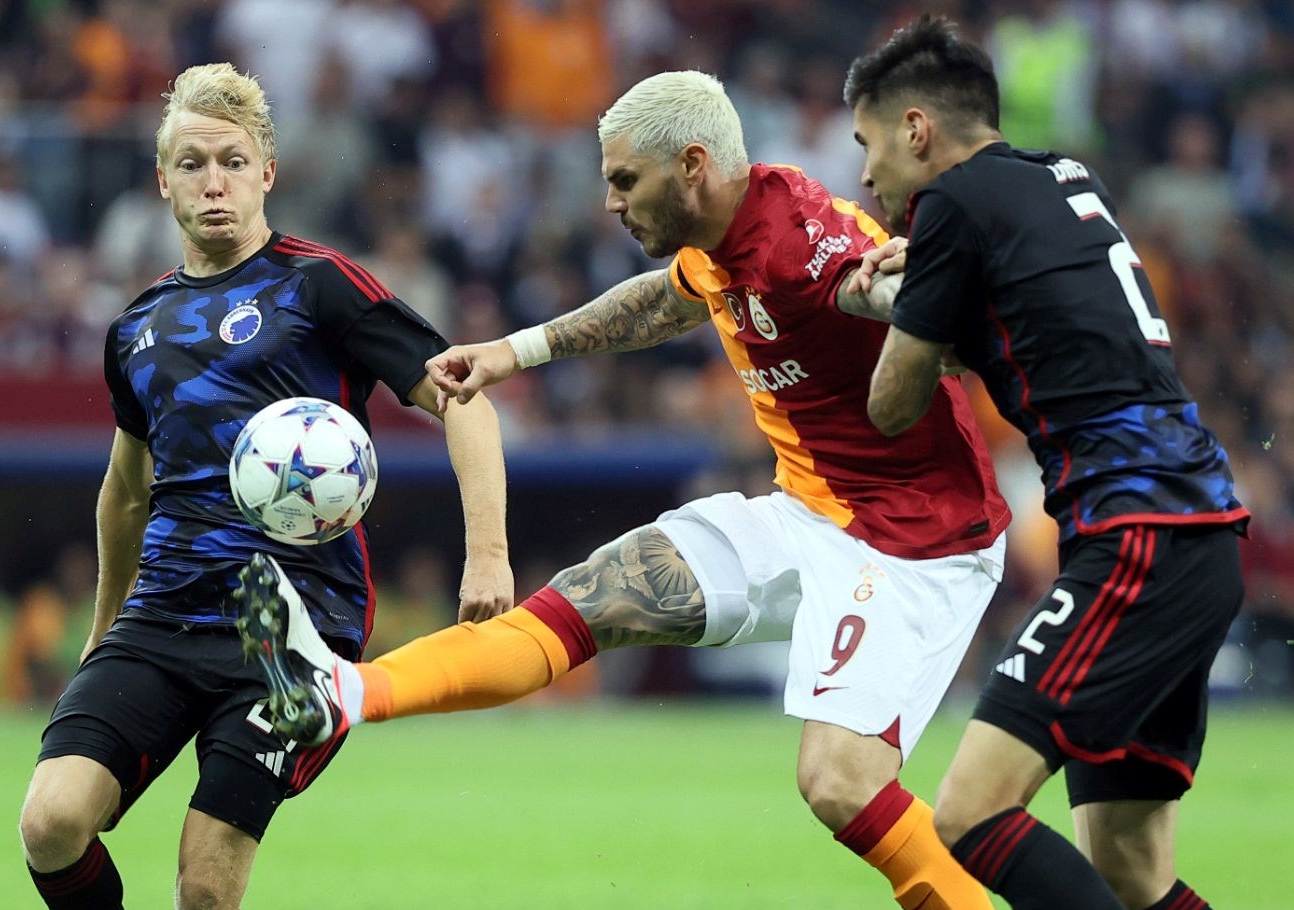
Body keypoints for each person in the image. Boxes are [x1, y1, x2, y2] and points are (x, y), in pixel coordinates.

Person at [237, 70, 1012, 910]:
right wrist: (514, 352)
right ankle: (339, 691)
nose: (609, 201)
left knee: (840, 785)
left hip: (916, 540)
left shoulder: (803, 245)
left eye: (624, 179)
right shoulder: (721, 237)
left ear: (691, 166)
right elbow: (663, 302)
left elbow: (900, 300)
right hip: (806, 513)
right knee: (591, 595)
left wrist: (933, 296)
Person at [15, 63, 513, 910]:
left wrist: (489, 553)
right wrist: (101, 632)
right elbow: (127, 491)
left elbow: (465, 399)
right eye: (193, 163)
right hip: (164, 613)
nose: (214, 182)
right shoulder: (136, 327)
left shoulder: (319, 285)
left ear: (267, 174)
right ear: (163, 180)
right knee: (50, 823)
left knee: (206, 886)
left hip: (292, 628)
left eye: (234, 162)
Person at [847, 18, 1249, 910]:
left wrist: (893, 301)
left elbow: (891, 406)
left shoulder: (951, 204)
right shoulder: (1065, 177)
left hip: (1136, 539)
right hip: (1200, 534)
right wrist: (941, 278)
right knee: (1129, 866)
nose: (865, 175)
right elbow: (1037, 317)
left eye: (868, 145)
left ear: (917, 129)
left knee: (969, 814)